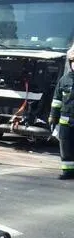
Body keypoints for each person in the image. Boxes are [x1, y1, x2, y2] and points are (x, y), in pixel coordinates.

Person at [49, 44, 74, 180]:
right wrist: (53, 116)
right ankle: (68, 172)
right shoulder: (64, 80)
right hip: (66, 122)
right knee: (66, 147)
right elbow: (57, 100)